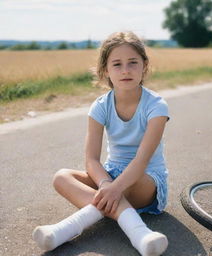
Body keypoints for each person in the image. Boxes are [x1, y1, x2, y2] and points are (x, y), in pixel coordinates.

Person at [32, 31, 170, 256]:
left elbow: (142, 159)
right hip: (110, 176)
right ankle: (137, 230)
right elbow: (91, 159)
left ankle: (65, 231)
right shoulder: (100, 106)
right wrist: (107, 185)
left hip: (144, 180)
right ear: (105, 70)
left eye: (133, 63)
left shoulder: (156, 106)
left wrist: (115, 188)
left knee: (128, 184)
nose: (125, 70)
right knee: (61, 177)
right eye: (117, 64)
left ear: (144, 66)